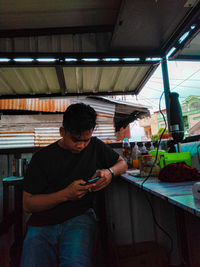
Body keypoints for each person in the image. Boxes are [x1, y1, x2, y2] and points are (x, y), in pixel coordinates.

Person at [21, 103, 127, 267]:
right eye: (76, 140)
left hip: (80, 217)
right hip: (43, 222)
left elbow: (122, 164)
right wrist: (66, 194)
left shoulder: (94, 146)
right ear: (62, 132)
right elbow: (28, 204)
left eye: (86, 140)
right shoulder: (42, 158)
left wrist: (109, 173)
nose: (81, 145)